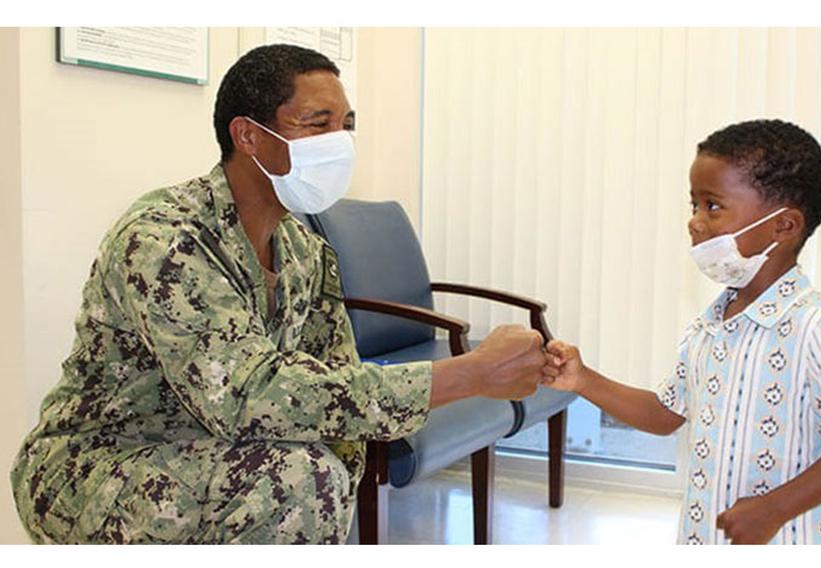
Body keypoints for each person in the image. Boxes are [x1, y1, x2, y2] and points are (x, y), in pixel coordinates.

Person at [10, 44, 547, 544]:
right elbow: (247, 395)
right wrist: (470, 373)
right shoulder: (165, 238)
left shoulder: (305, 251)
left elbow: (336, 384)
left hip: (215, 451)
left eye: (346, 127)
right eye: (318, 125)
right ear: (248, 136)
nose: (339, 144)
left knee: (323, 465)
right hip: (101, 462)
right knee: (298, 482)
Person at [542, 119, 821, 545]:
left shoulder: (815, 325)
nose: (694, 222)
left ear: (783, 226)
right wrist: (582, 379)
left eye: (712, 205)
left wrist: (774, 509)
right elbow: (667, 414)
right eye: (694, 205)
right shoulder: (709, 326)